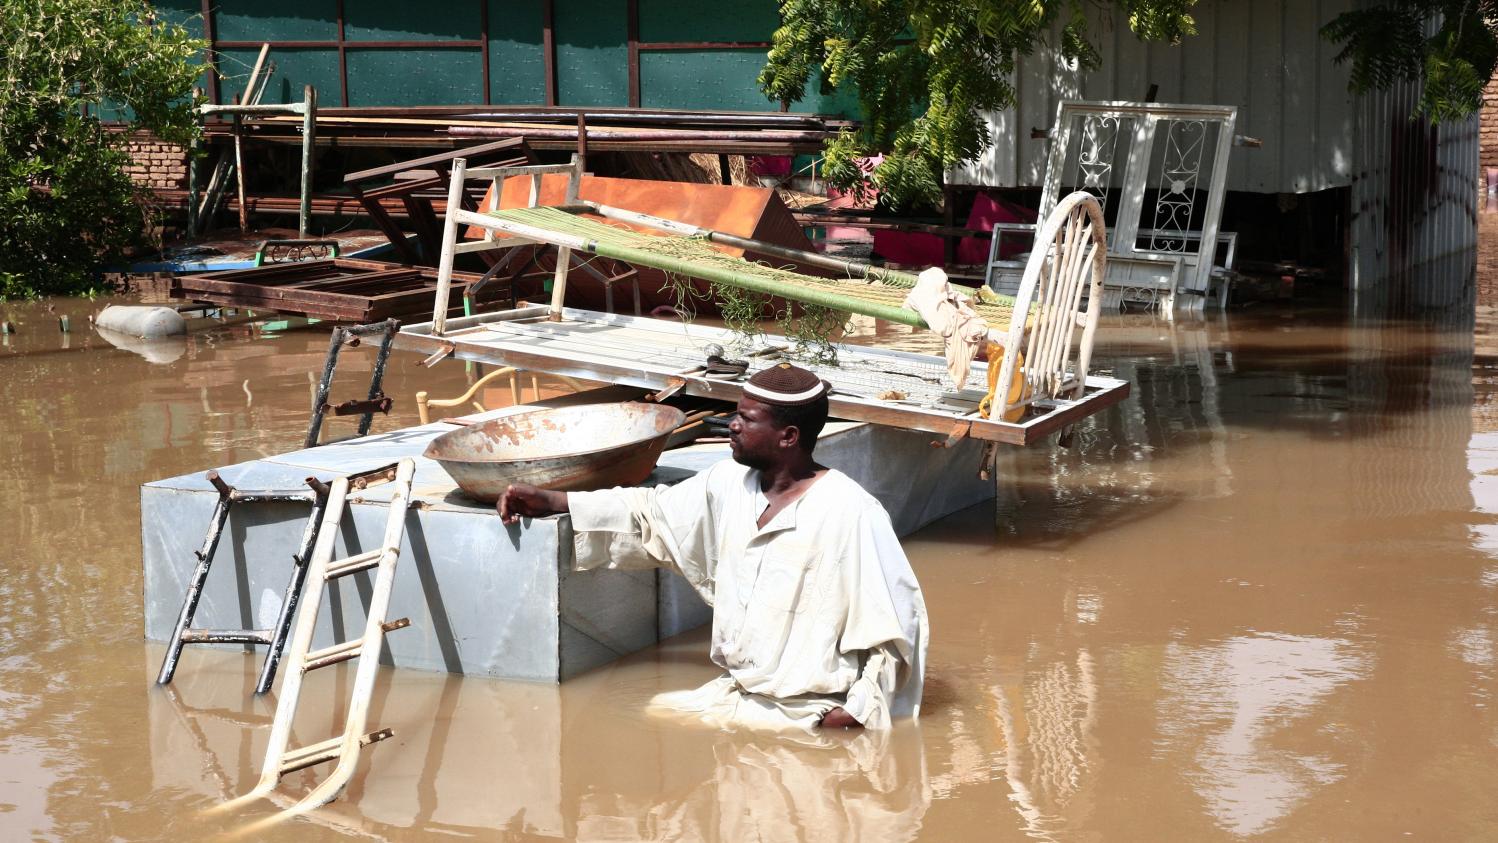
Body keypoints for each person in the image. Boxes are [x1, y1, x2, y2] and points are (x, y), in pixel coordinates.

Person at [498, 363, 929, 733]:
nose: (733, 425)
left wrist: (855, 713)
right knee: (631, 715)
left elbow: (896, 628)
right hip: (736, 695)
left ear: (788, 436)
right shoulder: (727, 483)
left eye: (747, 418)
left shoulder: (851, 511)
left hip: (810, 714)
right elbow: (651, 513)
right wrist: (556, 501)